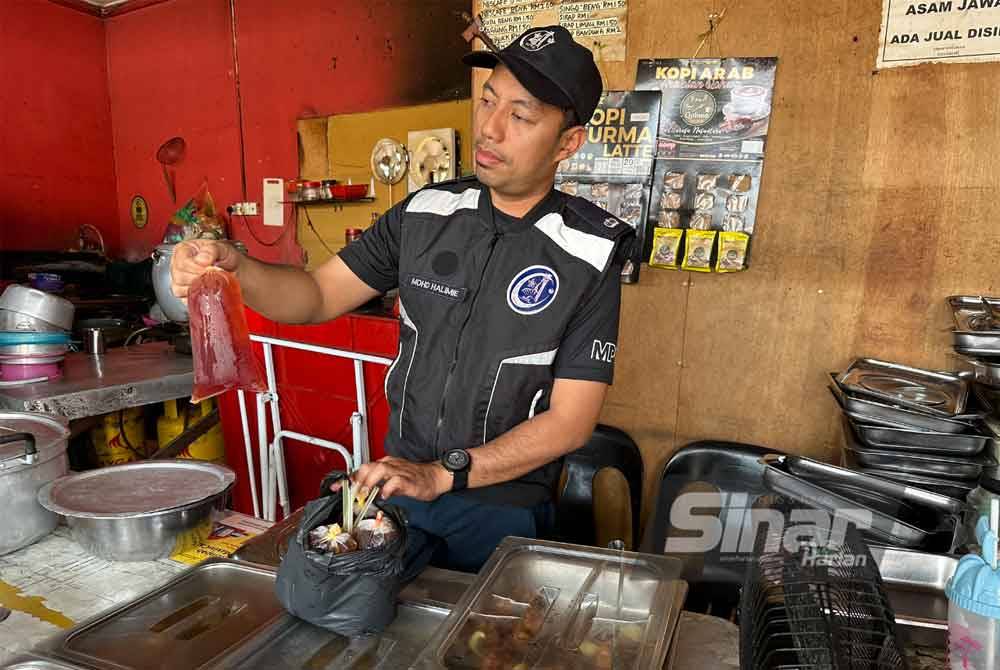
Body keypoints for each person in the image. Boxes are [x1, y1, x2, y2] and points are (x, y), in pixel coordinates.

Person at [171, 25, 634, 575]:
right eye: (488, 100)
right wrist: (238, 264)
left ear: (568, 143)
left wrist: (444, 473)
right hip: (400, 492)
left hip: (502, 510)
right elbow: (316, 296)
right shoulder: (424, 214)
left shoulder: (590, 253)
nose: (489, 128)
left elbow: (569, 422)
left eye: (521, 116)